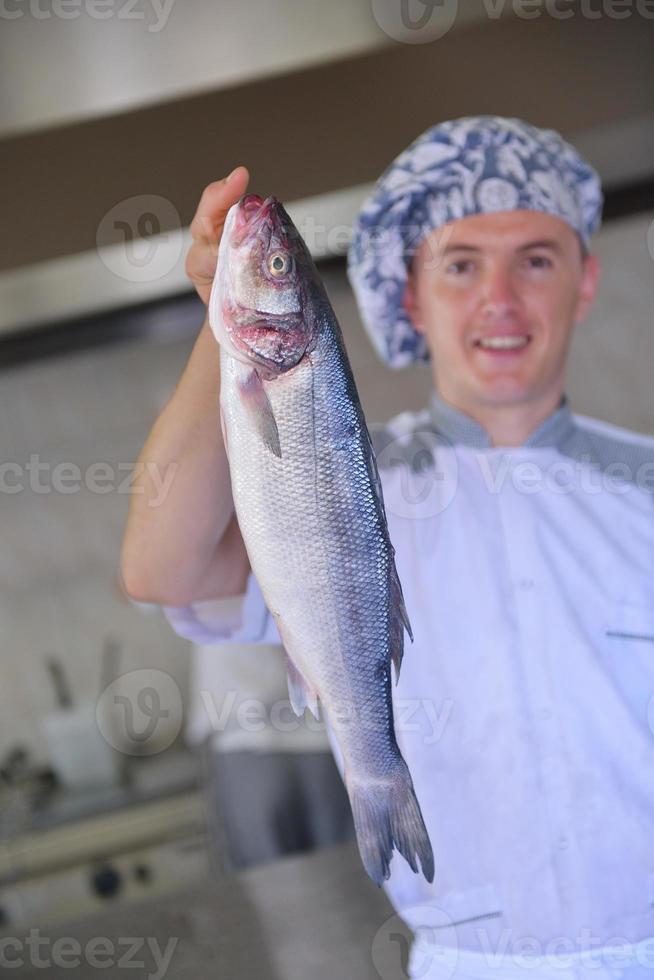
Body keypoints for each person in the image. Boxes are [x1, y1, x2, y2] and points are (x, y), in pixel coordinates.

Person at [121, 116, 654, 979]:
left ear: (584, 284)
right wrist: (219, 318)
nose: (501, 300)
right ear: (409, 293)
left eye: (537, 259)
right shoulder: (345, 481)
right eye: (460, 264)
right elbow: (160, 569)